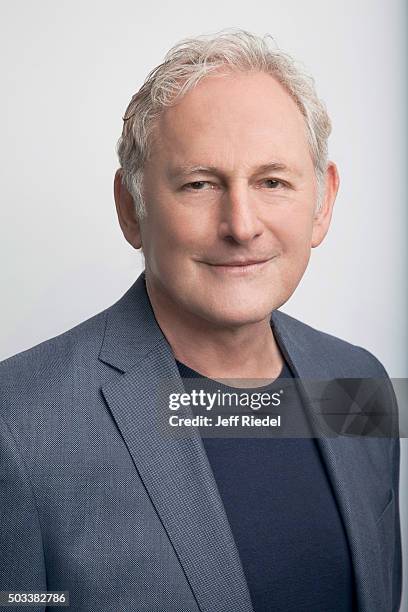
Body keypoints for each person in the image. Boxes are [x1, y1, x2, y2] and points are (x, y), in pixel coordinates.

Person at [0, 29, 401, 612]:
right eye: (200, 184)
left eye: (272, 182)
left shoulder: (359, 385)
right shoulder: (18, 420)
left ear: (323, 202)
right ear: (129, 207)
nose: (241, 224)